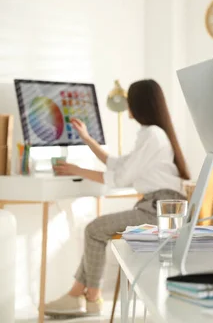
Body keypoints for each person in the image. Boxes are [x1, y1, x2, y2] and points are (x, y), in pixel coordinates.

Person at [44, 79, 190, 317]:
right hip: (159, 207)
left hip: (159, 211)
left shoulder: (152, 135)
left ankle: (90, 297)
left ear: (137, 104)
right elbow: (117, 164)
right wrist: (87, 138)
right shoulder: (152, 134)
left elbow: (120, 177)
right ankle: (77, 294)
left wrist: (76, 170)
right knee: (97, 231)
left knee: (94, 229)